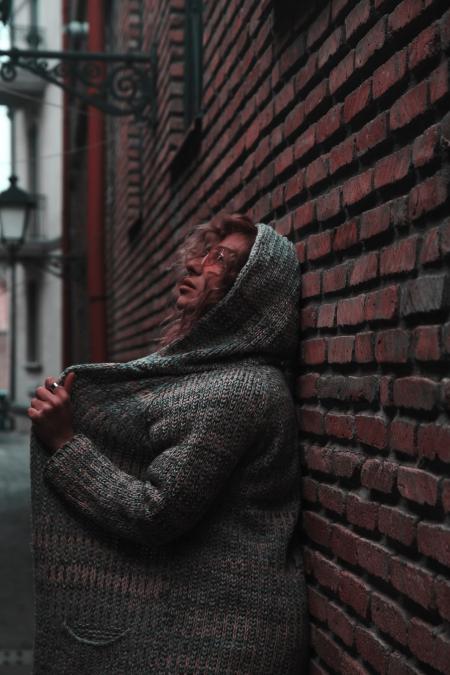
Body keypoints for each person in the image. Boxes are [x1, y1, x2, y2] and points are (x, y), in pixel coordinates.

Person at [28, 212, 308, 674]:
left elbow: (155, 513)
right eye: (202, 253)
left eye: (219, 259)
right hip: (200, 631)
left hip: (226, 645)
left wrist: (65, 444)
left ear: (248, 291)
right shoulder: (209, 376)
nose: (195, 264)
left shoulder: (237, 390)